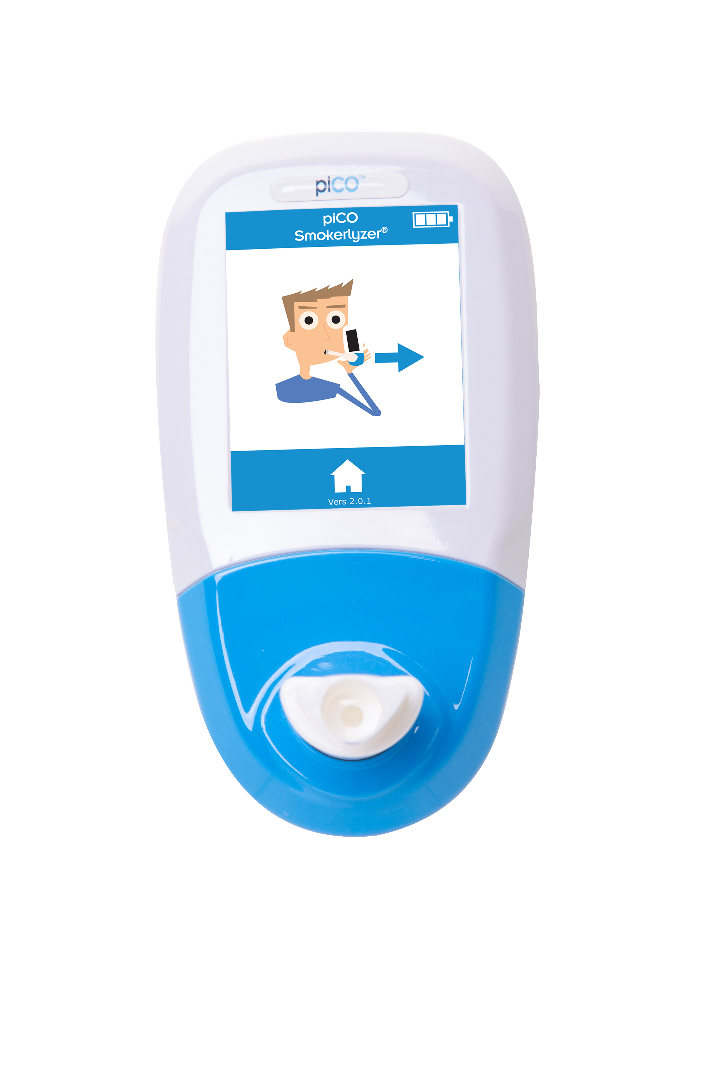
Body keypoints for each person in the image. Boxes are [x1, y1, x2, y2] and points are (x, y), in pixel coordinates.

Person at [276, 281, 381, 415]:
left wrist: (349, 370)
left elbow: (374, 411)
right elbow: (373, 410)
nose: (325, 335)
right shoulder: (289, 392)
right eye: (308, 321)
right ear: (289, 339)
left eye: (336, 319)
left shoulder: (335, 376)